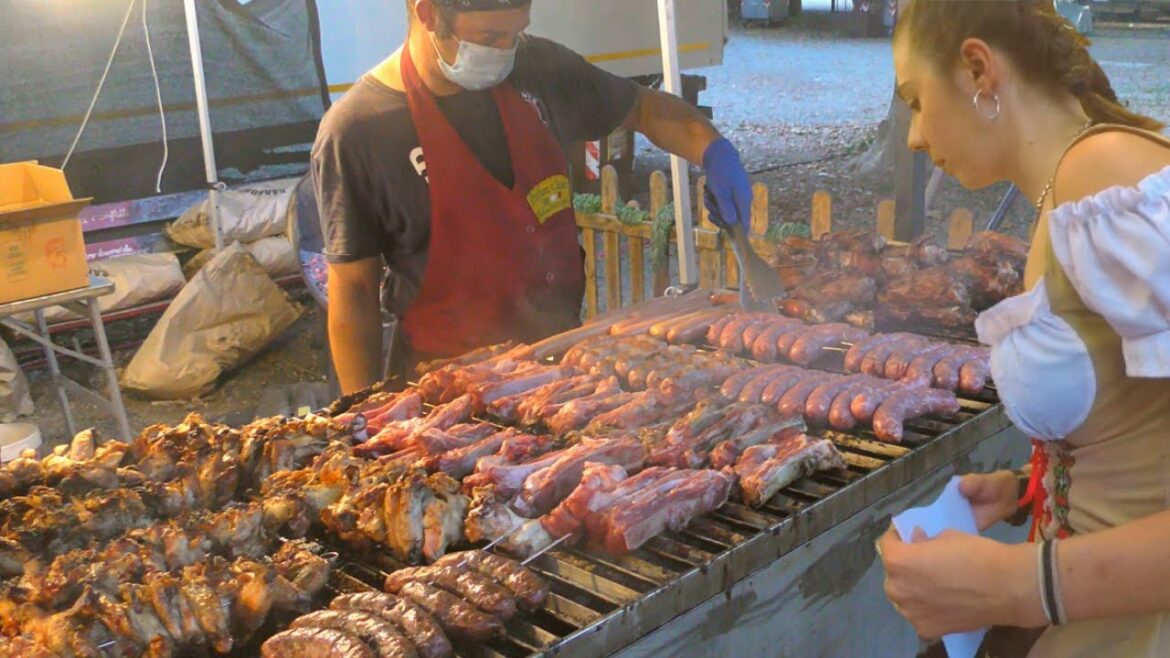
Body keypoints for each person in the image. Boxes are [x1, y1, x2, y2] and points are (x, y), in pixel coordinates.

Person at [876, 1, 1170, 656]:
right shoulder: (1067, 191)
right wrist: (1024, 488)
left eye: (916, 101)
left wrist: (1017, 584)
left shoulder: (1106, 177)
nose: (914, 137)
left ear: (979, 69)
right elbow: (1145, 427)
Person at [312, 0, 753, 393]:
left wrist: (712, 149)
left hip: (565, 371)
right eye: (489, 37)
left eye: (514, 33)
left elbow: (641, 106)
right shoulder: (357, 131)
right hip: (446, 395)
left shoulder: (538, 68)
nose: (506, 52)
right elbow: (353, 292)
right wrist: (362, 419)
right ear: (427, 12)